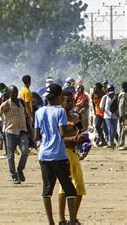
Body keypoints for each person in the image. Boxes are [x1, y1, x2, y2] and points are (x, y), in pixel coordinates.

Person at [34, 84, 78, 225]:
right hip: (59, 155)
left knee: (47, 190)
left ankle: (51, 222)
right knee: (70, 190)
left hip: (44, 155)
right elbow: (63, 133)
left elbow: (36, 136)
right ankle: (71, 221)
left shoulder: (39, 112)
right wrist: (77, 130)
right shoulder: (60, 112)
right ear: (59, 97)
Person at [58, 91, 87, 225]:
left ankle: (72, 217)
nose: (70, 103)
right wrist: (76, 138)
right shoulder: (60, 116)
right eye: (67, 101)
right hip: (65, 152)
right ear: (61, 102)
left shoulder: (74, 116)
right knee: (66, 186)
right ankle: (63, 219)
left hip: (74, 153)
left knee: (77, 186)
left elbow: (81, 129)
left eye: (72, 101)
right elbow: (62, 136)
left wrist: (83, 138)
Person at [0, 85, 30, 184]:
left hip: (22, 131)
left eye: (16, 91)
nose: (15, 93)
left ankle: (20, 169)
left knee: (25, 151)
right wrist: (1, 131)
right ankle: (14, 175)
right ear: (9, 93)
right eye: (13, 92)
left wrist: (30, 130)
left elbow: (26, 117)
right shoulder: (6, 104)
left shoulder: (21, 102)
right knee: (10, 156)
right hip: (10, 132)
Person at [100, 84, 118, 148]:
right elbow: (101, 106)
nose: (111, 91)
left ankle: (111, 142)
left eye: (112, 89)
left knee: (114, 130)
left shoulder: (116, 96)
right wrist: (106, 110)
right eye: (110, 89)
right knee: (111, 129)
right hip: (107, 116)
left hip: (115, 116)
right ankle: (110, 142)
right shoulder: (105, 97)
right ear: (108, 90)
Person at [118, 82, 127, 150]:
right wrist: (121, 115)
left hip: (124, 115)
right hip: (125, 115)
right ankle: (121, 144)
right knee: (124, 128)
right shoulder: (124, 94)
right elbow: (121, 106)